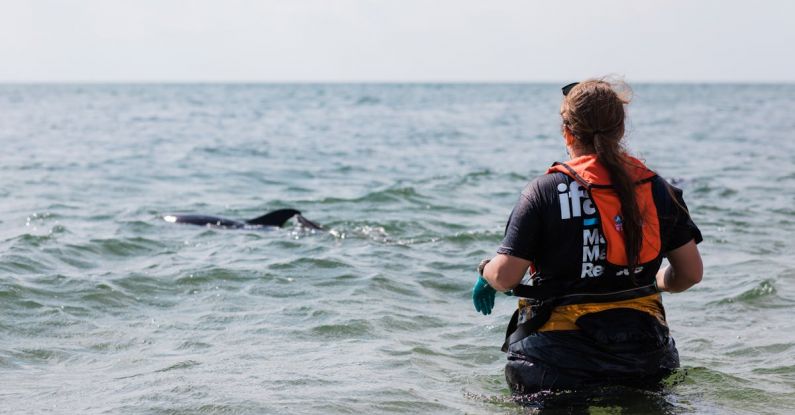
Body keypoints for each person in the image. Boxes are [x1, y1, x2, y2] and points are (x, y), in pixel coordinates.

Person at [471, 79, 703, 395]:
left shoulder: (545, 191)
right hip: (645, 358)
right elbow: (689, 274)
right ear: (620, 130)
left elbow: (506, 276)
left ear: (567, 132)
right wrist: (650, 280)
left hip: (556, 363)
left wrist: (485, 270)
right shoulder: (658, 189)